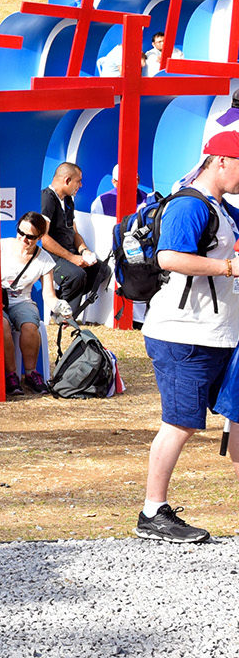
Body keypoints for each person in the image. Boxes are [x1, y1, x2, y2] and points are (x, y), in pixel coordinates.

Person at [137, 131, 239, 543]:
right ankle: (151, 512)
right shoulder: (188, 204)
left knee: (237, 419)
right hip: (184, 334)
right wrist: (228, 269)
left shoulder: (222, 208)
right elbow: (169, 257)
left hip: (220, 333)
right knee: (181, 423)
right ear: (221, 161)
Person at [0, 212, 58, 396]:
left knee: (31, 326)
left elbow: (49, 294)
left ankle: (31, 373)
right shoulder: (2, 245)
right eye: (20, 233)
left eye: (30, 237)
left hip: (22, 300)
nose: (23, 239)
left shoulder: (44, 259)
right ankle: (11, 374)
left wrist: (60, 307)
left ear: (39, 237)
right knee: (2, 325)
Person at [41, 163, 106, 316]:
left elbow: (74, 232)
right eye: (79, 181)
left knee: (100, 270)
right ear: (67, 180)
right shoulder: (47, 199)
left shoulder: (69, 200)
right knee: (76, 274)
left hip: (69, 252)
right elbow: (43, 238)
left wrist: (84, 251)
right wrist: (72, 258)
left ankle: (66, 310)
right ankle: (62, 314)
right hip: (51, 255)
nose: (81, 185)